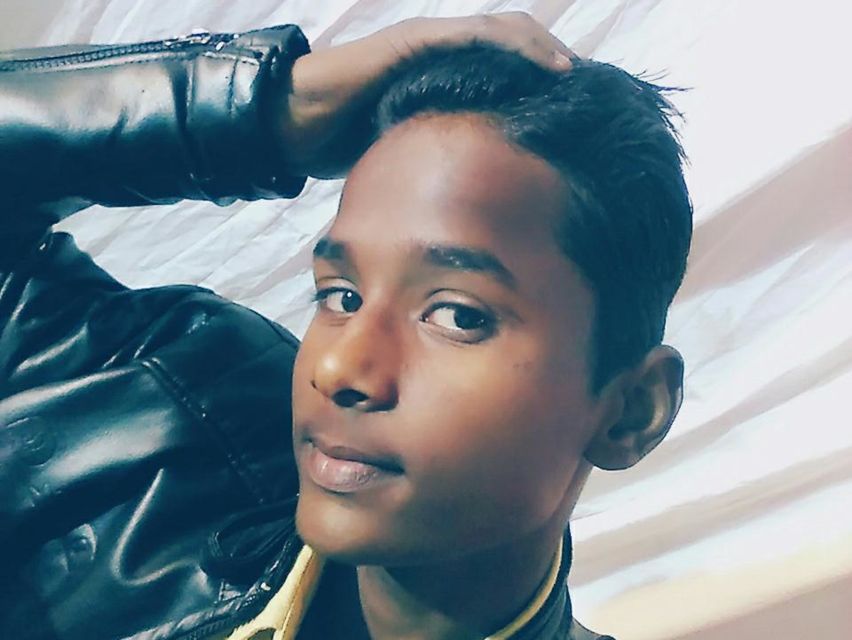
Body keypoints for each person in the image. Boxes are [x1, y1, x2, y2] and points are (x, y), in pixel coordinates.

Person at [0, 11, 689, 640]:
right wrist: (271, 110)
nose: (338, 368)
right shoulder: (161, 414)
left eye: (457, 315)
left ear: (632, 411)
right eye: (341, 295)